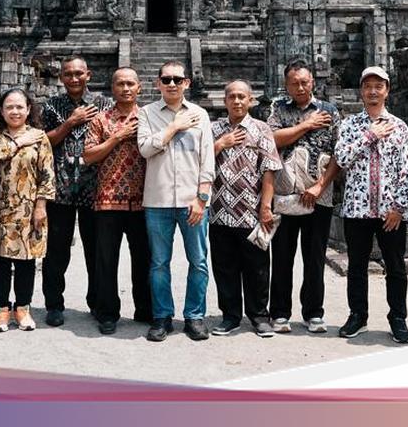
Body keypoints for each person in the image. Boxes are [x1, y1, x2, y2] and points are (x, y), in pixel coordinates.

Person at [137, 60, 216, 342]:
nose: (172, 84)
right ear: (157, 83)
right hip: (157, 200)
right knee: (159, 263)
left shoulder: (200, 115)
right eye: (166, 79)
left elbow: (207, 159)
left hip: (191, 201)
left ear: (187, 83)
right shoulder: (146, 114)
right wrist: (174, 127)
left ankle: (195, 316)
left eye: (177, 79)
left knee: (198, 261)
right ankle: (162, 316)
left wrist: (202, 198)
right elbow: (145, 149)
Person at [334, 66, 408, 343]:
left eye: (378, 86)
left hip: (389, 210)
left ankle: (398, 318)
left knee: (396, 266)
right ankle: (358, 315)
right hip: (357, 207)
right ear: (361, 91)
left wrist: (399, 208)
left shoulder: (400, 127)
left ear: (387, 90)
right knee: (357, 265)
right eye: (367, 86)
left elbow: (406, 170)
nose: (372, 91)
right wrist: (370, 135)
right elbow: (341, 158)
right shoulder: (350, 125)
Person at [267, 60, 341, 334]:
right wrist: (307, 124)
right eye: (294, 82)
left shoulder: (330, 111)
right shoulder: (279, 110)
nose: (300, 87)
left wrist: (320, 186)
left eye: (304, 82)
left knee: (315, 258)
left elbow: (338, 154)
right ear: (286, 85)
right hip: (286, 194)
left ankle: (313, 313)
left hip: (317, 196)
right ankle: (280, 312)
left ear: (313, 82)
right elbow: (273, 139)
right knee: (282, 257)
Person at [41, 57, 114, 327]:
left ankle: (97, 302)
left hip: (94, 187)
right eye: (68, 74)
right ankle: (54, 304)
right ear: (61, 77)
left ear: (89, 75)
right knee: (56, 251)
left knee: (97, 251)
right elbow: (43, 141)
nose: (74, 79)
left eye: (79, 73)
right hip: (60, 189)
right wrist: (70, 122)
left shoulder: (104, 105)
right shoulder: (52, 106)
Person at [209, 80, 282, 338]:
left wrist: (265, 206)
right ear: (225, 101)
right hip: (218, 210)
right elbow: (197, 162)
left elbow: (270, 170)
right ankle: (230, 316)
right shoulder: (213, 128)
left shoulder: (262, 129)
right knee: (224, 267)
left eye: (242, 97)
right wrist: (220, 144)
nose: (237, 101)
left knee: (258, 267)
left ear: (250, 100)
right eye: (232, 97)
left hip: (251, 210)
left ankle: (259, 316)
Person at [83, 68, 152, 335]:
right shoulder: (101, 120)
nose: (125, 88)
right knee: (106, 260)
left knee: (144, 259)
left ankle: (145, 308)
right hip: (108, 201)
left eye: (130, 84)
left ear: (139, 88)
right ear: (112, 88)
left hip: (144, 201)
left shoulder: (149, 118)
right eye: (120, 83)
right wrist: (117, 137)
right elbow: (89, 155)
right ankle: (107, 312)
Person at [0, 88, 55, 333]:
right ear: (1, 111)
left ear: (28, 109)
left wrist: (41, 206)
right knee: (0, 261)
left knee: (26, 262)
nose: (14, 111)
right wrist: (17, 142)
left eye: (19, 107)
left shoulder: (39, 136)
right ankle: (1, 309)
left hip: (28, 208)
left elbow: (47, 174)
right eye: (9, 107)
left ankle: (23, 307)